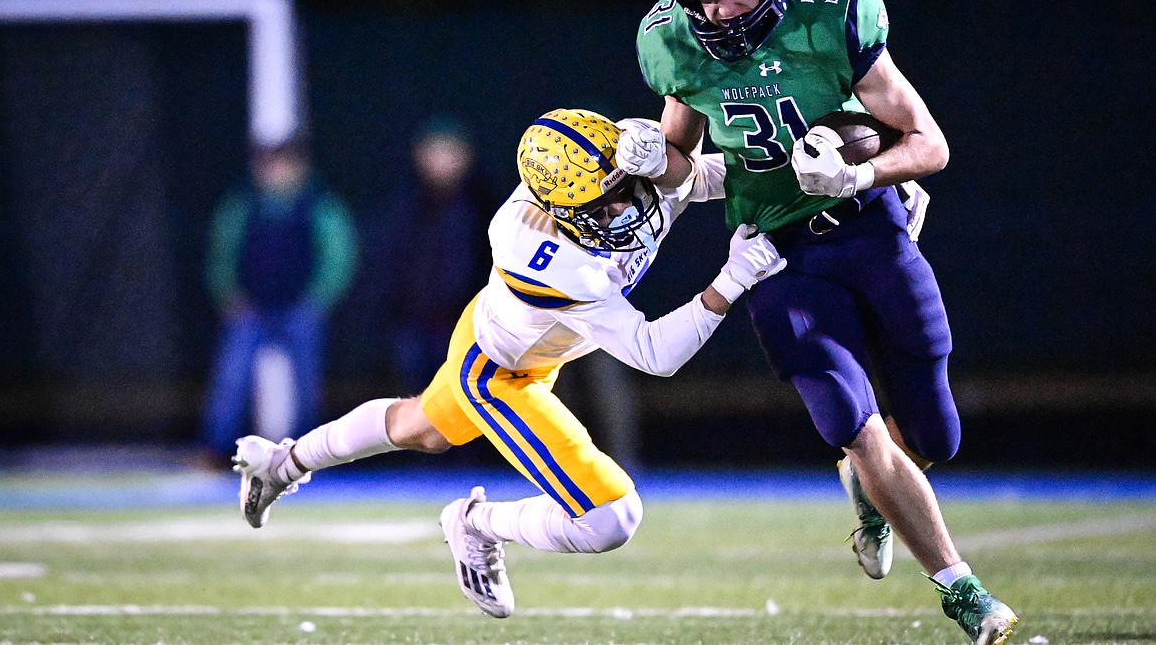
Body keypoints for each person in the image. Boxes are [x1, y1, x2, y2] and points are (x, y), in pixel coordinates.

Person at [625, 0, 1017, 645]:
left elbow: (928, 144)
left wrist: (860, 178)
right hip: (775, 251)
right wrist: (655, 160)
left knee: (936, 434)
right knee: (853, 421)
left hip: (869, 230)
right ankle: (961, 589)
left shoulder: (833, 8)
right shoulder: (672, 42)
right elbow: (678, 161)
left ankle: (870, 493)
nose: (714, 8)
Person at [231, 108, 786, 618]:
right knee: (610, 518)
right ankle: (476, 523)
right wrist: (731, 280)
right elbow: (654, 353)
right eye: (604, 203)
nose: (624, 207)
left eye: (623, 186)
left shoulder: (606, 174)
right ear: (562, 212)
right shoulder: (551, 259)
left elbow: (695, 181)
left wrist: (768, 170)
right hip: (498, 371)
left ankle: (280, 465)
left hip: (525, 339)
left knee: (419, 427)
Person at [199, 135, 358, 467]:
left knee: (307, 386)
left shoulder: (318, 204)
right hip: (251, 310)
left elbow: (338, 254)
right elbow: (221, 252)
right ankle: (216, 452)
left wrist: (317, 299)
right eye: (268, 164)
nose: (275, 172)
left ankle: (309, 456)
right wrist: (228, 294)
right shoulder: (242, 205)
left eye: (283, 164)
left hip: (298, 310)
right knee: (231, 381)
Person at [380, 115, 499, 396]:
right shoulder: (405, 203)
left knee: (468, 398)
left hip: (467, 323)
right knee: (415, 402)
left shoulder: (484, 204)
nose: (440, 161)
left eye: (448, 152)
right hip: (413, 323)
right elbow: (391, 260)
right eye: (432, 152)